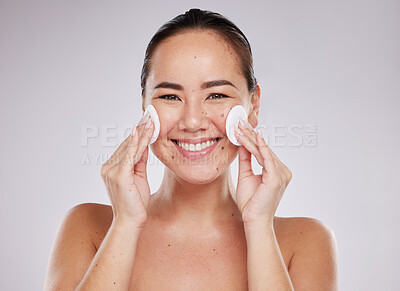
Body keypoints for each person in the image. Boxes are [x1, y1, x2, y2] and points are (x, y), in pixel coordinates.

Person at [44, 8, 338, 290]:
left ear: (253, 106)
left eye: (217, 94)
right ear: (145, 106)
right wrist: (126, 225)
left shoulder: (305, 242)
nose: (193, 121)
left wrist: (259, 228)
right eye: (171, 96)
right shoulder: (88, 228)